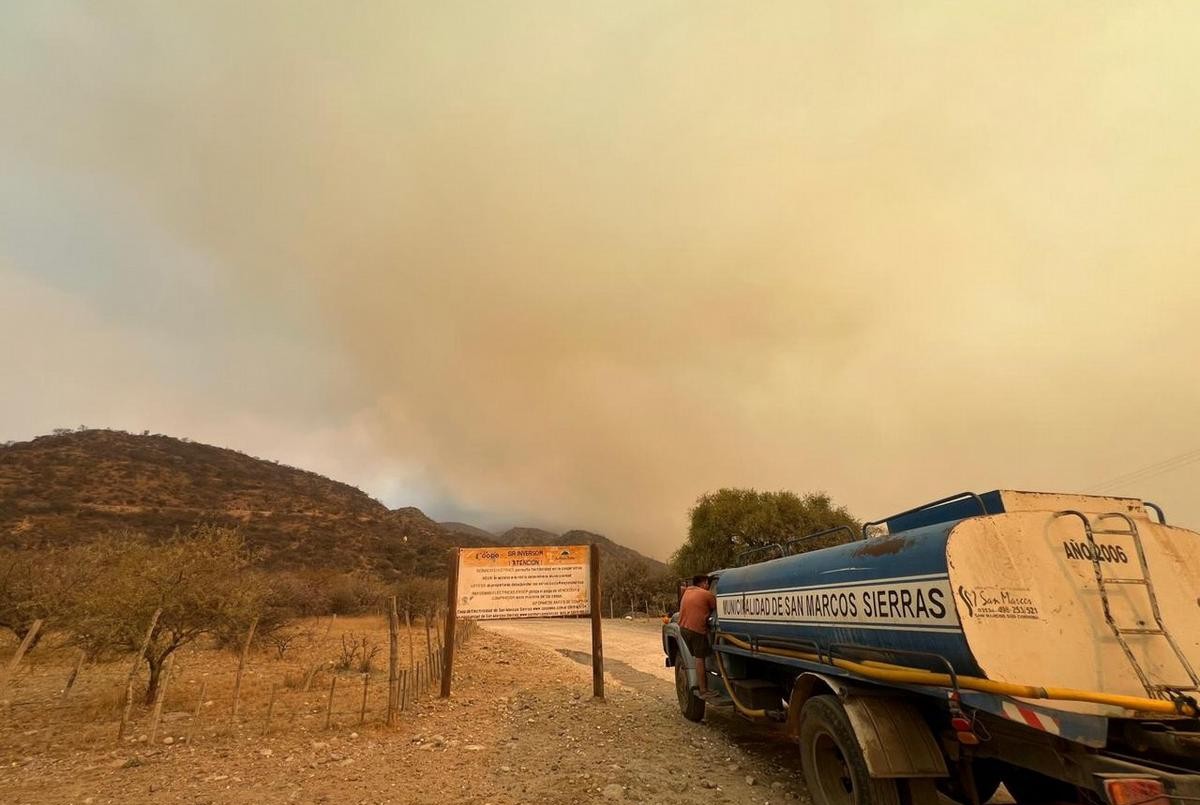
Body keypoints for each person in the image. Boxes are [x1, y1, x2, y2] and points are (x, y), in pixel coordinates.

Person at [678, 574, 718, 699]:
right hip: (696, 630)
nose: (708, 586)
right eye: (707, 583)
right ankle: (703, 690)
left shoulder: (687, 591)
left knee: (697, 657)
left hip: (683, 629)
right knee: (700, 659)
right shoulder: (706, 594)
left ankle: (702, 685)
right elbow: (717, 607)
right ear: (704, 583)